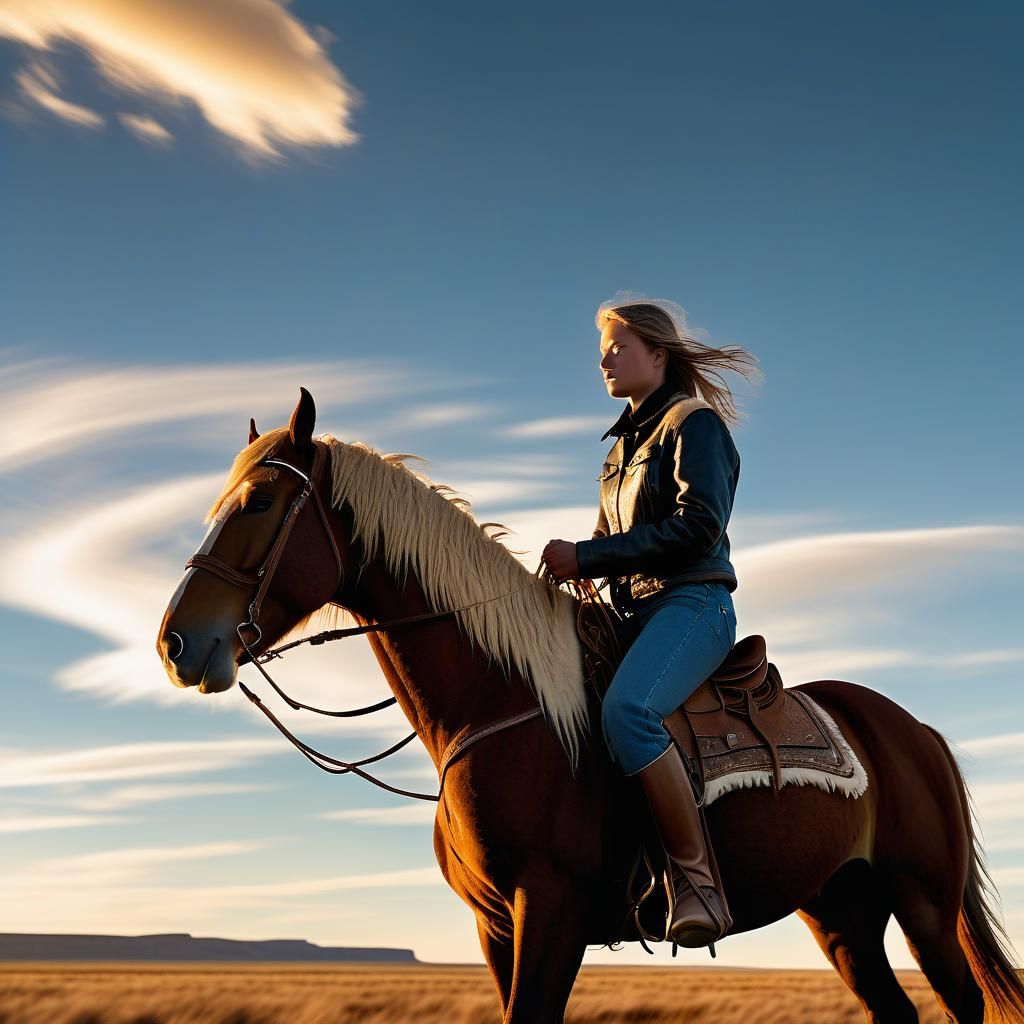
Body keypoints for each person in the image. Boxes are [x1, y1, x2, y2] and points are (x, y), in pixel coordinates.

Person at [543, 295, 761, 949]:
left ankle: (698, 884)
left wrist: (588, 555)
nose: (606, 359)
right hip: (629, 611)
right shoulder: (617, 454)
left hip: (692, 605)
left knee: (628, 713)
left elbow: (699, 527)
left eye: (618, 345)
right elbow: (610, 537)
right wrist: (582, 569)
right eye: (602, 350)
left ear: (658, 354)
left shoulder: (694, 426)